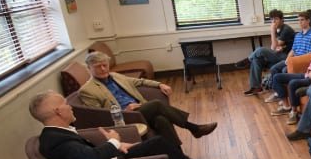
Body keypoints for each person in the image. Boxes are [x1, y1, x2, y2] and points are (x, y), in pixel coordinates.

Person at [30, 91, 226, 159]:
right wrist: (114, 141)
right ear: (57, 111)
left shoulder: (55, 135)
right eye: (65, 104)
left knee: (159, 137)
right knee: (158, 144)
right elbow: (94, 158)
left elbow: (84, 154)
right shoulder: (56, 141)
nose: (70, 106)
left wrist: (117, 145)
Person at [80, 52, 217, 147]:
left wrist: (159, 84)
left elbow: (139, 82)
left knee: (161, 120)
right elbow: (100, 116)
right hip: (125, 116)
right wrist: (124, 111)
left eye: (105, 65)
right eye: (98, 66)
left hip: (140, 109)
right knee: (157, 104)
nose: (104, 69)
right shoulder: (87, 90)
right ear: (89, 68)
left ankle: (182, 157)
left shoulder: (115, 76)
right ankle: (193, 128)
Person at [235, 9, 295, 95]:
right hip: (279, 53)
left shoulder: (286, 30)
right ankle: (256, 87)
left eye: (276, 19)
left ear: (282, 20)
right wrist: (278, 45)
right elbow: (273, 47)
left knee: (260, 49)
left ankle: (247, 60)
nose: (273, 21)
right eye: (272, 19)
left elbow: (274, 46)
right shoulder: (278, 29)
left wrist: (272, 31)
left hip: (287, 57)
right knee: (256, 60)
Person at [264, 12, 311, 103]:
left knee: (284, 70)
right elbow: (293, 50)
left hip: (301, 61)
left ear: (308, 21)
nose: (300, 22)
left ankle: (286, 97)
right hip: (293, 59)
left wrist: (295, 61)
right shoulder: (298, 35)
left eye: (302, 20)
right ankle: (279, 93)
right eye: (299, 20)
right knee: (274, 68)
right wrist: (288, 59)